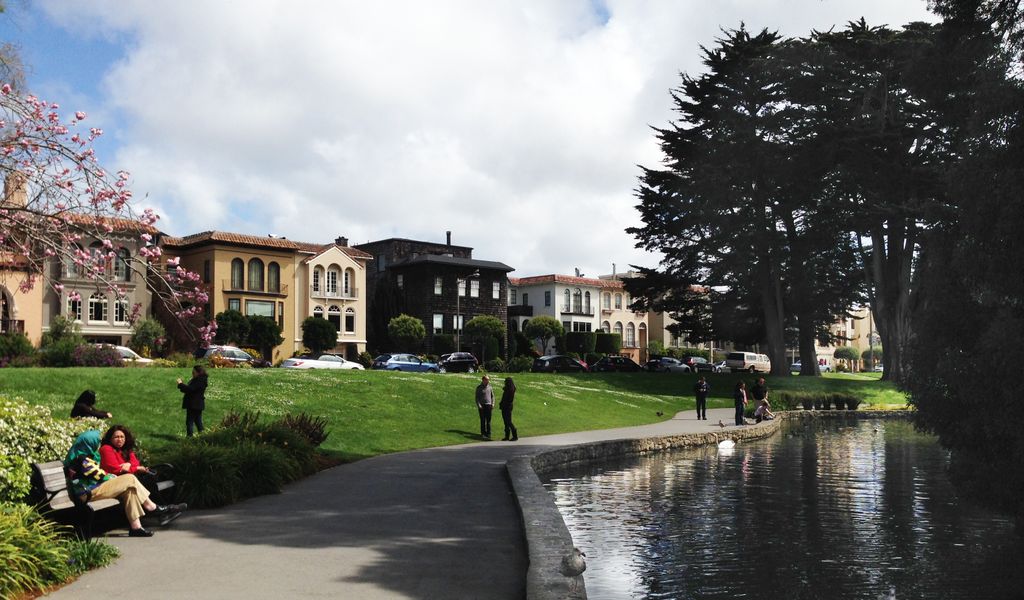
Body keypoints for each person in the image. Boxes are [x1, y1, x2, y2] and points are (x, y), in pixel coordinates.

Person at [64, 430, 185, 537]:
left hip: (92, 489)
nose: (98, 444)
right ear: (89, 443)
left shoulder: (82, 455)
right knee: (129, 479)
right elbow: (99, 476)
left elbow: (99, 475)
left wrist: (111, 476)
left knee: (129, 489)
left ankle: (136, 528)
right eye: (96, 441)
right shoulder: (81, 460)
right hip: (86, 493)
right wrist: (111, 476)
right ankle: (153, 508)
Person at [99, 425, 166, 503]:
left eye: (122, 437)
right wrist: (136, 468)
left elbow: (136, 463)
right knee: (147, 481)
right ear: (110, 439)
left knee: (148, 480)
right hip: (115, 482)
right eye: (116, 437)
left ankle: (160, 508)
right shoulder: (106, 449)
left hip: (130, 478)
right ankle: (160, 508)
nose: (120, 439)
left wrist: (129, 465)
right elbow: (116, 469)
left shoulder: (126, 450)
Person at [177, 365, 208, 437]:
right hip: (197, 404)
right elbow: (189, 389)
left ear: (198, 372)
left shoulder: (199, 380)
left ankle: (189, 438)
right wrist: (182, 386)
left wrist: (180, 384)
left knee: (189, 422)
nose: (192, 373)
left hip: (194, 404)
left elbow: (190, 389)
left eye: (194, 372)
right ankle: (204, 436)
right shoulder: (199, 379)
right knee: (198, 421)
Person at [499, 377, 518, 441]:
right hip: (507, 406)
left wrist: (502, 404)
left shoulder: (509, 389)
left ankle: (514, 435)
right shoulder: (510, 389)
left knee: (508, 421)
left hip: (507, 406)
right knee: (506, 422)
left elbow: (506, 399)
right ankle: (507, 436)